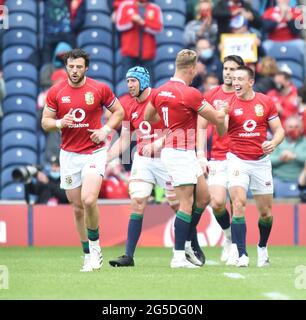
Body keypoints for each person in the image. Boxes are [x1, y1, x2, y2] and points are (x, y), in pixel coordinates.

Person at [107, 66, 204, 267]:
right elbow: (125, 140)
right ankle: (128, 255)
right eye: (128, 81)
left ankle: (191, 246)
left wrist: (159, 143)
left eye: (133, 81)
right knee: (138, 201)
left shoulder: (160, 98)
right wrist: (106, 158)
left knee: (179, 206)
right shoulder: (128, 107)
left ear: (143, 81)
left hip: (167, 158)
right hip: (144, 160)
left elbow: (177, 127)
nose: (129, 85)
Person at [41, 48, 125, 272]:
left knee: (89, 200)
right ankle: (87, 252)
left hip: (94, 152)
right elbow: (45, 122)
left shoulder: (99, 89)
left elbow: (119, 111)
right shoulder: (56, 91)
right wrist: (60, 123)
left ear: (86, 68)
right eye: (71, 66)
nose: (75, 70)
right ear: (66, 67)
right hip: (68, 155)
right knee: (77, 207)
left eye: (79, 66)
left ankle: (96, 247)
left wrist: (105, 130)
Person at [144, 49, 228, 268]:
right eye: (195, 71)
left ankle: (188, 243)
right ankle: (178, 255)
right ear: (191, 69)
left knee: (203, 197)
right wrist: (223, 111)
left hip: (182, 151)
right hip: (179, 152)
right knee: (186, 204)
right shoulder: (190, 93)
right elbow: (216, 119)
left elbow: (148, 117)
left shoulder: (160, 91)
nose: (194, 75)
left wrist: (168, 124)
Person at [219, 66, 285, 267]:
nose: (235, 82)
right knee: (238, 204)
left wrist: (273, 143)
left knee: (266, 213)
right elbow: (221, 132)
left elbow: (279, 130)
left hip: (261, 162)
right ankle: (242, 254)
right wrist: (222, 115)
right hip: (237, 160)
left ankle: (262, 247)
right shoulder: (229, 103)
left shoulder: (265, 102)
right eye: (234, 79)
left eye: (240, 78)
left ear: (251, 82)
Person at [197, 55, 244, 263]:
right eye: (226, 68)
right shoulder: (211, 95)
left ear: (240, 73)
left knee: (236, 202)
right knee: (216, 202)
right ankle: (228, 236)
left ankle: (236, 248)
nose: (228, 72)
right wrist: (200, 154)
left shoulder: (245, 96)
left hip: (239, 157)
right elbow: (200, 126)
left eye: (233, 69)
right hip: (217, 156)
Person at [115, 0, 163, 82]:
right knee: (127, 84)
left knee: (148, 84)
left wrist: (143, 23)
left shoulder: (155, 8)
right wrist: (131, 20)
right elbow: (119, 25)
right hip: (129, 52)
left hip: (147, 53)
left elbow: (158, 29)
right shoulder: (125, 5)